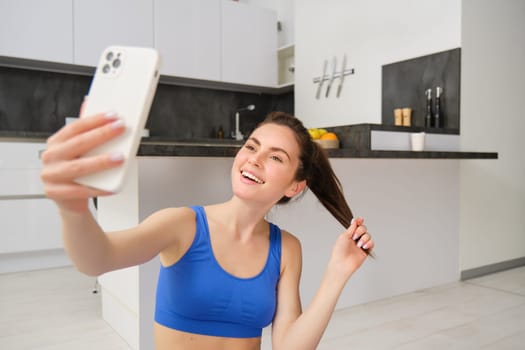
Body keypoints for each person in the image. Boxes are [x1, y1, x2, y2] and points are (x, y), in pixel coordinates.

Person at [41, 107, 374, 350]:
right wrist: (73, 209)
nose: (254, 159)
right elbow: (98, 259)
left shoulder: (286, 249)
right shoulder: (182, 224)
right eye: (252, 146)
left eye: (276, 157)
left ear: (294, 186)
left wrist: (336, 274)